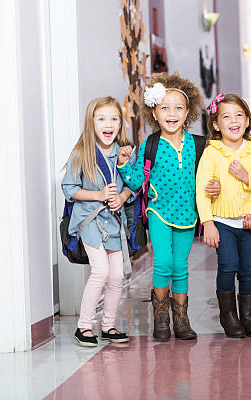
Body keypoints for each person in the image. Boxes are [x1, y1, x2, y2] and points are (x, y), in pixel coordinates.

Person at [118, 72, 203, 341]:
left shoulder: (196, 145)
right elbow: (135, 181)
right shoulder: (149, 145)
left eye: (178, 108)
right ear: (154, 113)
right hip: (158, 211)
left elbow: (207, 177)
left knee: (181, 265)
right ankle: (161, 315)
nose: (172, 113)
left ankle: (181, 318)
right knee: (163, 262)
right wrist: (124, 164)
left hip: (188, 213)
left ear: (187, 112)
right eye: (165, 107)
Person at [196, 93, 251, 338]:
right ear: (217, 124)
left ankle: (249, 318)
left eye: (239, 115)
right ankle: (228, 316)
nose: (234, 121)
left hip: (247, 223)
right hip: (222, 222)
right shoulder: (212, 152)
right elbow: (202, 190)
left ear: (248, 120)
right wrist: (208, 223)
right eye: (226, 116)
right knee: (228, 267)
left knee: (248, 270)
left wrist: (246, 177)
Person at [62, 96, 133, 347]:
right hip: (88, 221)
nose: (108, 124)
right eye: (102, 118)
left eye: (114, 118)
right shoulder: (81, 153)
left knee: (116, 275)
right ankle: (84, 326)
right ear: (91, 123)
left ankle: (109, 325)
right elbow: (69, 188)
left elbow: (133, 185)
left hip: (112, 221)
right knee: (100, 271)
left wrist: (122, 197)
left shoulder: (122, 153)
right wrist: (99, 195)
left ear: (120, 123)